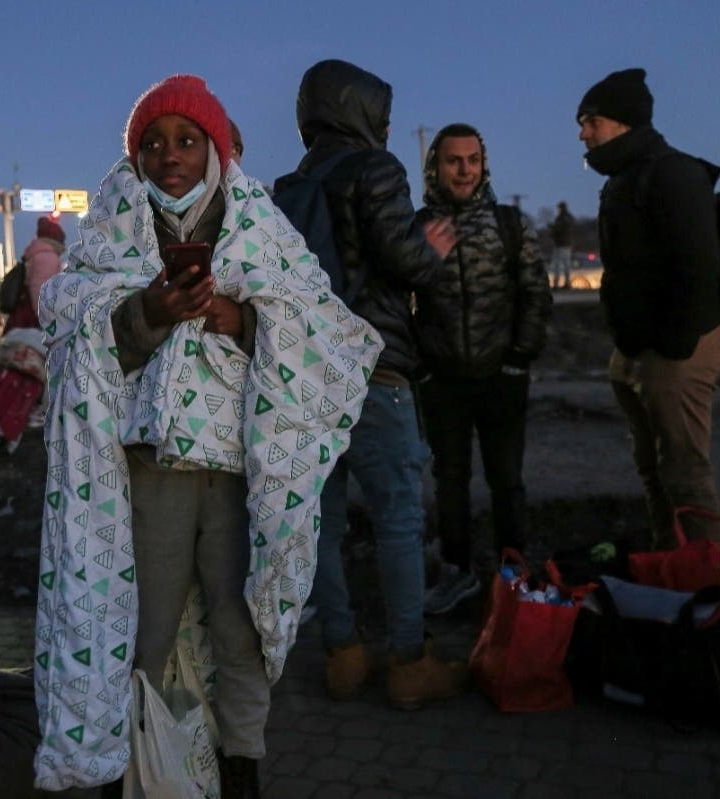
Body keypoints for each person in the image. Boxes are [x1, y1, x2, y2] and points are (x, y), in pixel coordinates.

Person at [31, 74, 380, 798]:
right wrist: (148, 312)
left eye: (187, 139)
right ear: (134, 157)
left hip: (239, 469)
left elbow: (333, 334)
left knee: (239, 620)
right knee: (145, 625)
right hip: (151, 468)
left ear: (216, 149)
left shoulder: (261, 228)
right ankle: (138, 760)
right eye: (152, 143)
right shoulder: (111, 231)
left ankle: (242, 758)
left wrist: (243, 320)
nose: (170, 156)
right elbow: (71, 333)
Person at [282, 58, 466, 709]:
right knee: (396, 517)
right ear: (358, 111)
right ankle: (409, 660)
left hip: (306, 377)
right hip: (373, 367)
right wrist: (432, 250)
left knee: (322, 523)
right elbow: (403, 260)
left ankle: (342, 654)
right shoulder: (376, 170)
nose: (387, 127)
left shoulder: (288, 188)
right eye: (380, 114)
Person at [577, 68, 720, 546]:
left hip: (674, 352)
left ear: (622, 122)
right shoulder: (625, 177)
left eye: (590, 121)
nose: (582, 134)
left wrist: (670, 347)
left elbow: (701, 268)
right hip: (638, 350)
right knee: (655, 468)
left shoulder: (673, 173)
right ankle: (671, 565)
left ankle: (708, 588)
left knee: (684, 471)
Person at [414, 124, 552, 615]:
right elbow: (403, 301)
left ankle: (513, 576)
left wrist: (518, 360)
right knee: (450, 482)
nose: (465, 170)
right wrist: (423, 370)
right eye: (454, 160)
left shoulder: (509, 224)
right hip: (443, 382)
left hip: (501, 379)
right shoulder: (416, 229)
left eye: (473, 160)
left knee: (507, 481)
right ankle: (457, 573)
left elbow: (536, 293)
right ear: (436, 167)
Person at [0, 214, 66, 332]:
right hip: (33, 321)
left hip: (26, 317)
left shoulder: (37, 254)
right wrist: (48, 321)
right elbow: (40, 290)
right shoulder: (47, 257)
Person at [549, 201, 575, 289]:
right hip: (566, 244)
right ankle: (567, 282)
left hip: (560, 244)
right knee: (566, 264)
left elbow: (559, 229)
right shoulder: (569, 217)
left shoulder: (561, 218)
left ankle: (557, 283)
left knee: (557, 264)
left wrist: (552, 229)